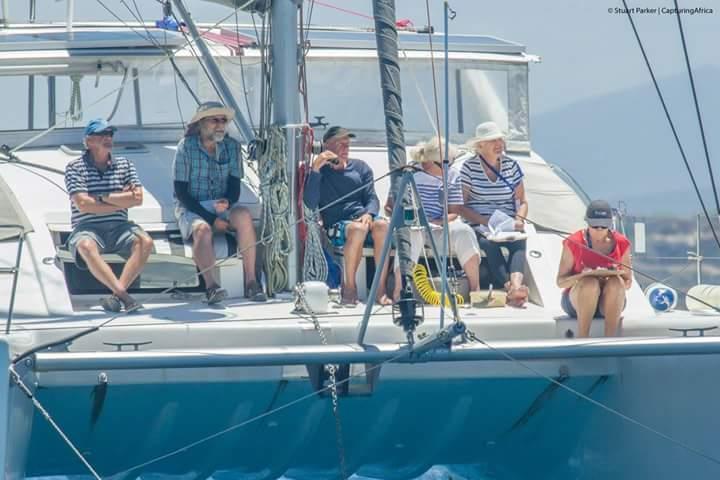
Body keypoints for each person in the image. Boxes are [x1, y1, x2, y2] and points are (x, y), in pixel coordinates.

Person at [173, 101, 266, 304]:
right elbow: (181, 193)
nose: (220, 125)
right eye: (215, 120)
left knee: (243, 215)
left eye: (223, 120)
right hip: (193, 206)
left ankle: (251, 282)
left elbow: (234, 185)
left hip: (221, 205)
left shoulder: (231, 147)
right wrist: (211, 219)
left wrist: (228, 201)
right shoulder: (185, 147)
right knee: (202, 230)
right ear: (201, 123)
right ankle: (211, 287)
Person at [64, 118, 154, 313]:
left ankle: (115, 297)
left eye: (110, 134)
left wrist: (102, 197)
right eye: (102, 135)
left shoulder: (125, 165)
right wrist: (120, 199)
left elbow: (137, 199)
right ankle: (125, 296)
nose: (108, 138)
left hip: (121, 226)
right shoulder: (74, 167)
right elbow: (83, 205)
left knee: (145, 241)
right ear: (88, 141)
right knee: (86, 246)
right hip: (88, 228)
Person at [303, 126, 399, 305]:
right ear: (326, 146)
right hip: (337, 224)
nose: (345, 148)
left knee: (382, 226)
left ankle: (380, 289)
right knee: (357, 229)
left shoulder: (361, 168)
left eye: (347, 144)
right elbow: (310, 202)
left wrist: (370, 213)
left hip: (363, 218)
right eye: (340, 144)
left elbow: (371, 197)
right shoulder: (318, 172)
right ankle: (349, 287)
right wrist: (316, 169)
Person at [385, 137, 482, 293]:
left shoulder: (452, 176)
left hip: (438, 227)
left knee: (464, 231)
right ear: (430, 161)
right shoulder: (408, 173)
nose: (448, 168)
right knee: (413, 234)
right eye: (445, 164)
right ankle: (400, 291)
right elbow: (388, 207)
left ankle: (475, 290)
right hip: (412, 228)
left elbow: (454, 211)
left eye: (449, 164)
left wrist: (438, 221)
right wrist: (406, 218)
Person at [459, 121, 529, 307]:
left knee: (519, 243)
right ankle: (511, 288)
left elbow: (522, 201)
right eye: (493, 140)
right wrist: (484, 220)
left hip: (507, 224)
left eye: (500, 140)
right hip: (480, 223)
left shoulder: (512, 166)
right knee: (488, 244)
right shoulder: (469, 168)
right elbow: (461, 206)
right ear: (480, 145)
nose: (499, 144)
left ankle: (515, 286)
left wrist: (519, 219)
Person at [556, 200, 632, 337]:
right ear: (587, 222)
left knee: (616, 283)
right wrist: (583, 276)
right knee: (590, 283)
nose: (599, 230)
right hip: (578, 300)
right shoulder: (574, 242)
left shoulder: (621, 242)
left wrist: (612, 276)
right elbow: (561, 282)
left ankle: (610, 338)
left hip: (609, 300)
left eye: (603, 226)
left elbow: (627, 283)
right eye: (594, 225)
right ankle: (583, 337)